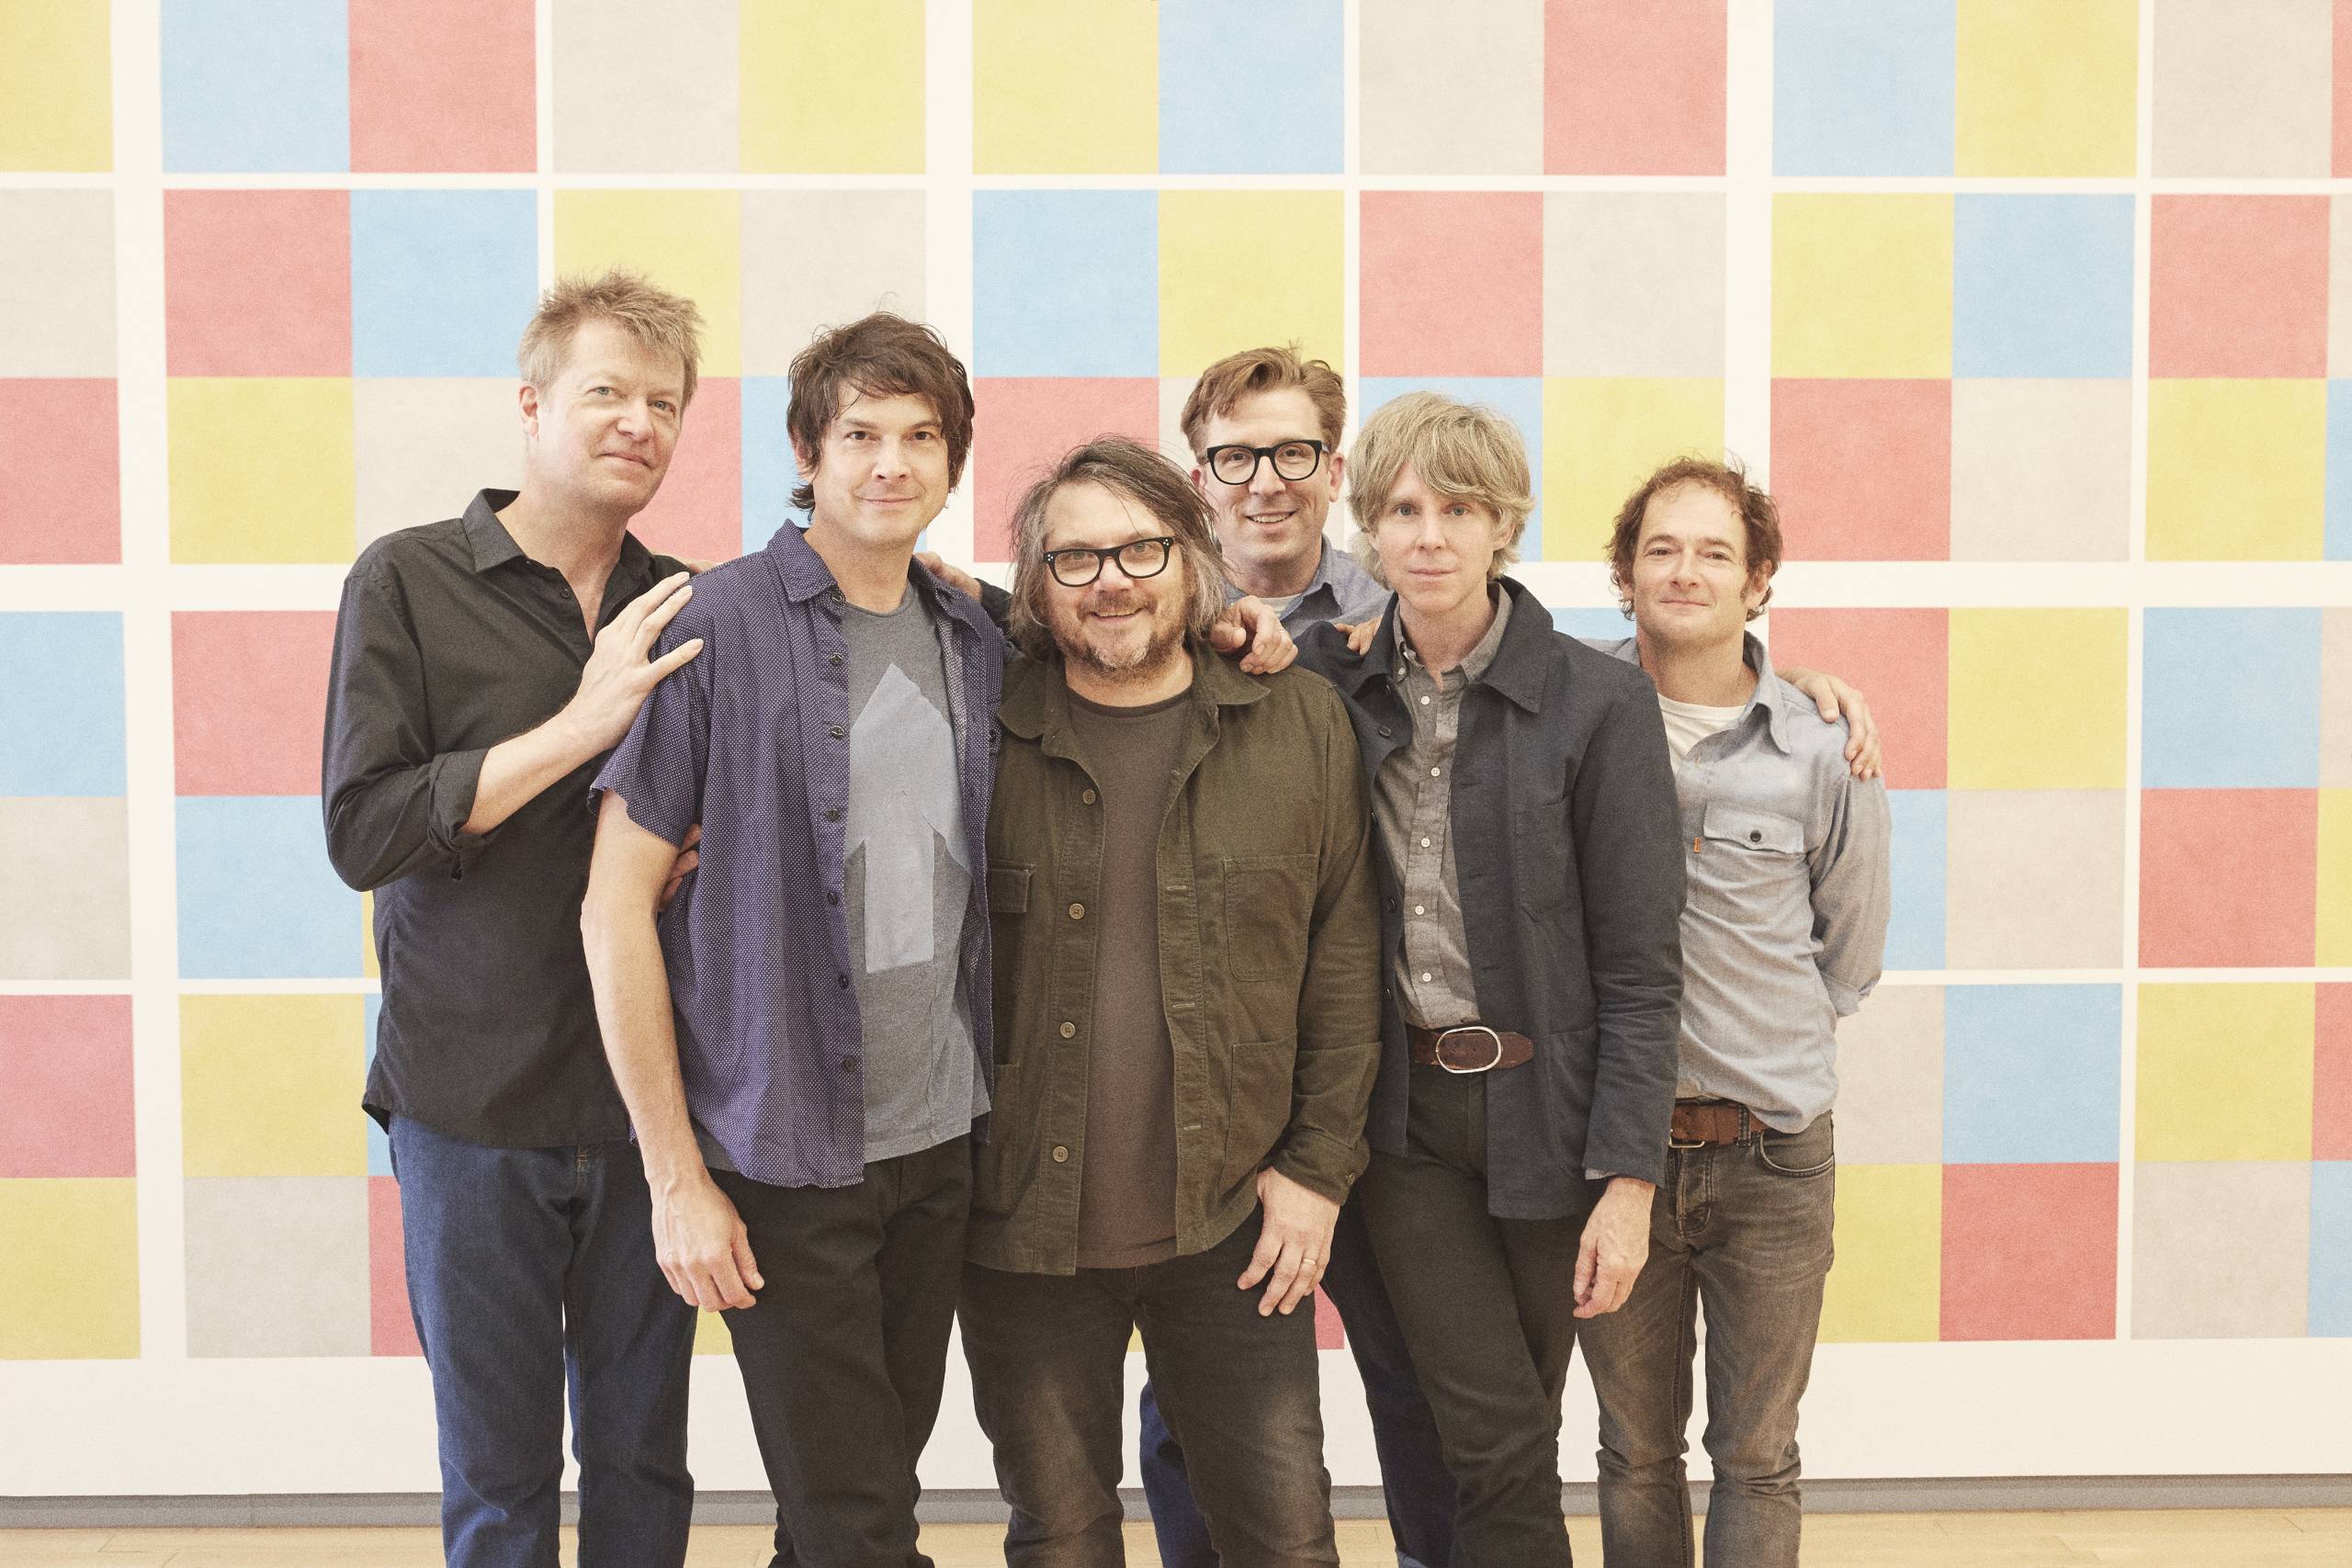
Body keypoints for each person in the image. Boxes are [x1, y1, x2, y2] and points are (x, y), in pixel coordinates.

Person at [581, 312, 1001, 1568]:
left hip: (941, 1138)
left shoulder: (974, 634)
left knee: (848, 1501)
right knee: (864, 1526)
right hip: (785, 1146)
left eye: (922, 436)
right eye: (861, 433)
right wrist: (675, 1177)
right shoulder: (715, 625)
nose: (892, 462)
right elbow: (613, 909)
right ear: (807, 451)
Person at [322, 269, 708, 1568]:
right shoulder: (411, 580)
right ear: (533, 403)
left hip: (649, 1106)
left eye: (664, 403)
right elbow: (366, 830)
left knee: (648, 1463)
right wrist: (578, 730)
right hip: (468, 1102)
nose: (638, 423)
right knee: (498, 1475)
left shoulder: (690, 603)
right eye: (608, 392)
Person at [959, 436, 1382, 1567]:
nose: (1111, 582)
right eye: (1075, 559)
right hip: (1022, 1228)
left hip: (1237, 1219)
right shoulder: (977, 731)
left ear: (1196, 561)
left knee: (1285, 1542)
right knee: (1061, 1537)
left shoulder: (1297, 723)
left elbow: (1343, 965)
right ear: (1035, 588)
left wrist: (1315, 1172)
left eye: (1140, 549)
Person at [1294, 391, 1686, 1566]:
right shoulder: (1327, 687)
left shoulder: (1599, 702)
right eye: (1404, 509)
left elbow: (1641, 965)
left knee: (1519, 1423)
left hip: (1547, 1124)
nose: (1429, 535)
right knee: (1493, 1432)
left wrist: (1628, 1181)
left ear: (1502, 524)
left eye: (1458, 508)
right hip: (1402, 1122)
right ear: (1368, 524)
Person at [1573, 459, 1890, 1568]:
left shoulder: (1821, 745)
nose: (1684, 570)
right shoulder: (1568, 711)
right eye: (1660, 547)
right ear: (1623, 573)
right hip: (1617, 1157)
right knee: (1633, 1449)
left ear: (1759, 581)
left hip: (1774, 1157)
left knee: (1758, 1452)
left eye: (1715, 552)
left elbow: (1846, 958)